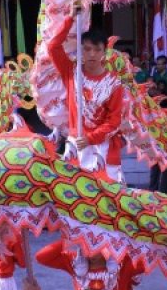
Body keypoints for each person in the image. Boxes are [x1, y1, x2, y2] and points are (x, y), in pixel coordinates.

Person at [48, 16, 126, 182]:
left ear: (105, 51)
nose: (92, 54)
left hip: (102, 147)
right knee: (72, 198)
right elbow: (53, 47)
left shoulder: (113, 83)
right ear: (81, 50)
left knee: (106, 201)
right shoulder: (71, 73)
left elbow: (114, 121)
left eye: (97, 50)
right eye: (87, 49)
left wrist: (91, 138)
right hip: (75, 144)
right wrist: (70, 18)